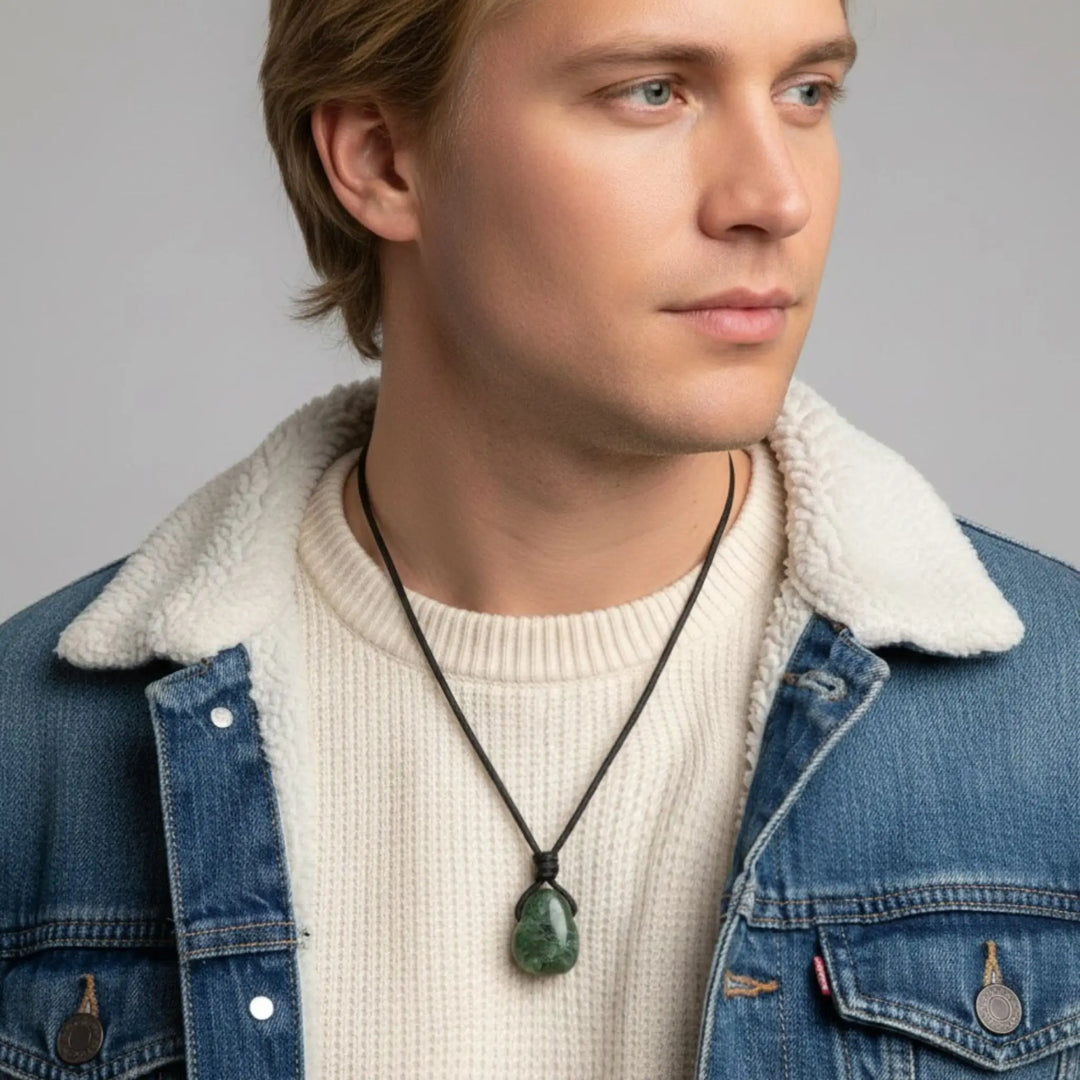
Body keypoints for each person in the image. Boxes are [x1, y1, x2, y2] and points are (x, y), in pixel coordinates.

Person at [1, 0, 1077, 1075]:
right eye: (653, 91)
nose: (775, 198)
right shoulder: (34, 752)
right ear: (382, 161)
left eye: (806, 92)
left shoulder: (1055, 727)